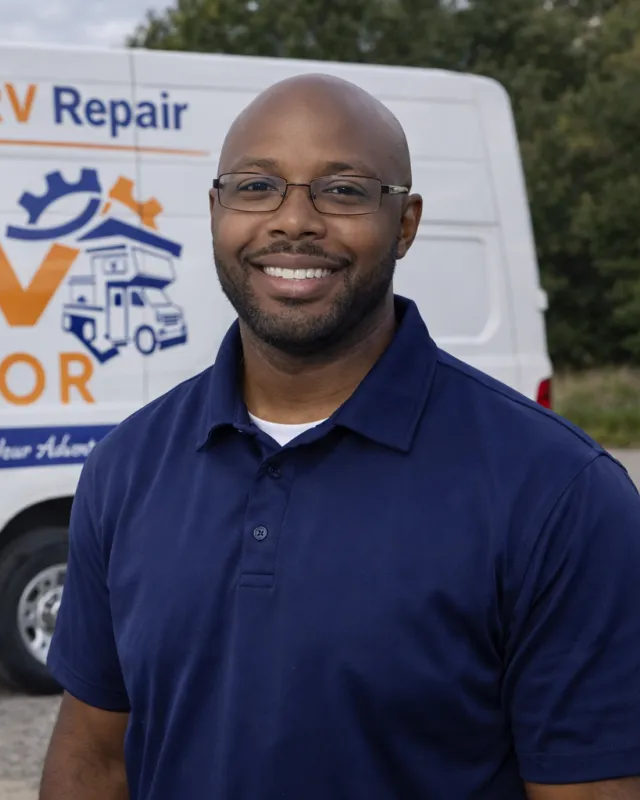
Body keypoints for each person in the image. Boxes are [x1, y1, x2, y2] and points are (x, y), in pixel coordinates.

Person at [38, 73, 640, 800]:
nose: (293, 221)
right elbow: (96, 759)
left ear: (406, 225)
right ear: (215, 211)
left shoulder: (558, 493)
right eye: (256, 187)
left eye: (345, 191)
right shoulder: (127, 468)